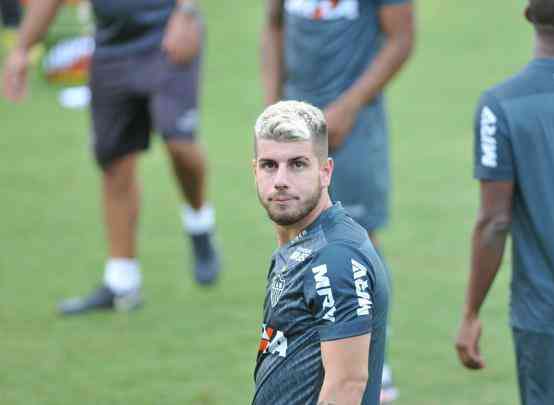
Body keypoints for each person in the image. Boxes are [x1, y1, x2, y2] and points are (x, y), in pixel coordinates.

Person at [2, 0, 221, 315]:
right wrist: (21, 49)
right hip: (110, 48)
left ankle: (199, 221)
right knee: (114, 162)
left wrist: (186, 12)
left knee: (179, 144)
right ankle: (122, 283)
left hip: (167, 34)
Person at [455, 0, 554, 403]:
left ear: (528, 16)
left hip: (547, 313)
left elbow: (494, 222)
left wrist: (471, 314)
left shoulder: (500, 105)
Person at [261, 1, 414, 401]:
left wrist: (349, 105)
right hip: (295, 129)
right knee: (294, 236)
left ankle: (373, 361)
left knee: (358, 242)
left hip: (353, 125)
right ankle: (306, 352)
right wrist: (274, 109)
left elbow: (401, 39)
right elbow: (273, 26)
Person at [252, 101, 389, 405]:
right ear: (255, 170)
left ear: (325, 171)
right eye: (269, 165)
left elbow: (347, 385)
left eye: (298, 164)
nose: (281, 180)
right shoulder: (300, 245)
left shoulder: (335, 257)